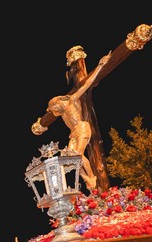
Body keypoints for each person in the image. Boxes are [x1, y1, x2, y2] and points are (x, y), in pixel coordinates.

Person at [44, 53, 110, 191]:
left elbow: (86, 85)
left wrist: (100, 66)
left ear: (58, 103)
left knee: (77, 155)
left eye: (53, 108)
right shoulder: (61, 113)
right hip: (73, 133)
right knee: (68, 159)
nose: (53, 111)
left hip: (82, 128)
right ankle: (87, 179)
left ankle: (91, 177)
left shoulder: (71, 101)